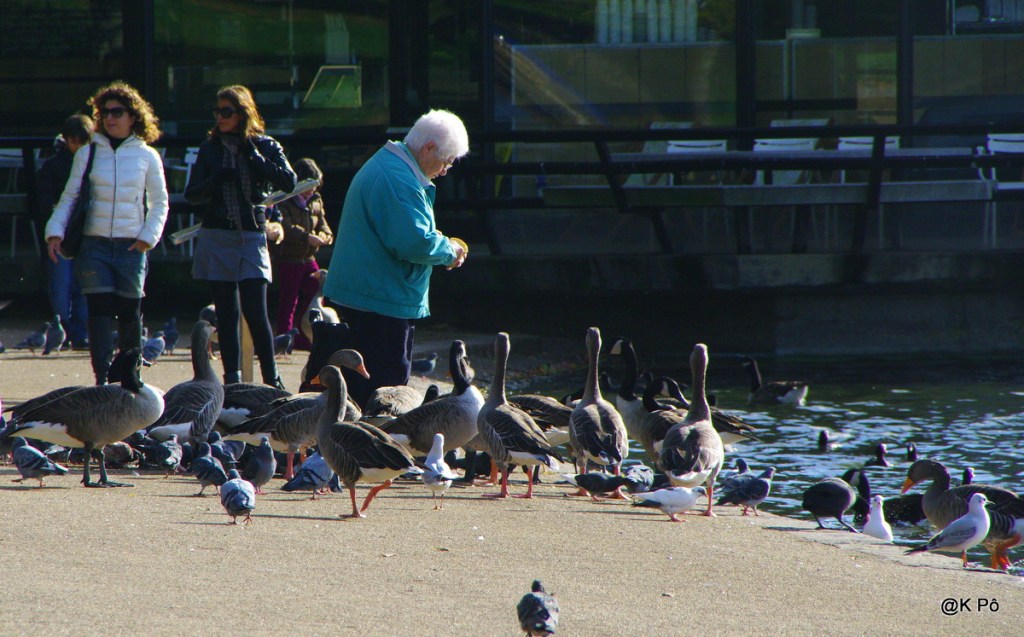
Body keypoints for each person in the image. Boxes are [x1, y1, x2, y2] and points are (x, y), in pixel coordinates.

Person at [322, 108, 469, 407]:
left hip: (370, 293)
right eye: (446, 162)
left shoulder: (392, 167)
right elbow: (413, 242)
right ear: (428, 148)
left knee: (365, 388)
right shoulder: (397, 179)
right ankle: (373, 450)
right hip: (379, 299)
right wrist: (449, 251)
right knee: (387, 392)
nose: (444, 171)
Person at [44, 82, 169, 384]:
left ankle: (129, 380)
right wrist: (55, 232)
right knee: (98, 312)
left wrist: (147, 237)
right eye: (104, 112)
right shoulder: (87, 153)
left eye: (117, 112)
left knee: (129, 315)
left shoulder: (147, 155)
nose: (110, 118)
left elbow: (160, 201)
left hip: (131, 247)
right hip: (93, 244)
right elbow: (71, 196)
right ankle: (102, 381)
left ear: (133, 116)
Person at [185, 85, 297, 388]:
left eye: (226, 111)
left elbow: (288, 181)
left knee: (256, 309)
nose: (220, 117)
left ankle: (272, 380)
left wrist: (254, 156)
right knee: (227, 312)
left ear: (242, 113)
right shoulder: (210, 147)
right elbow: (191, 194)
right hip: (218, 233)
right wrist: (215, 179)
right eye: (217, 111)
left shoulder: (264, 144)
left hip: (251, 234)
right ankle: (232, 382)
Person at [37, 113, 94, 350]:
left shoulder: (95, 164)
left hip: (87, 233)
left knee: (84, 287)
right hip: (63, 233)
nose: (78, 147)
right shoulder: (53, 165)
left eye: (83, 142)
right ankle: (65, 330)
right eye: (74, 142)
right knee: (61, 287)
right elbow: (43, 199)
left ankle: (80, 334)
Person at [269, 157, 333, 351]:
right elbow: (285, 227)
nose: (312, 190)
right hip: (289, 257)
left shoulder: (316, 200)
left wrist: (325, 236)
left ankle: (305, 337)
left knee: (316, 290)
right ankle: (284, 340)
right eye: (309, 185)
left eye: (315, 186)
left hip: (309, 258)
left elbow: (323, 224)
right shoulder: (284, 199)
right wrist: (306, 237)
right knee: (289, 300)